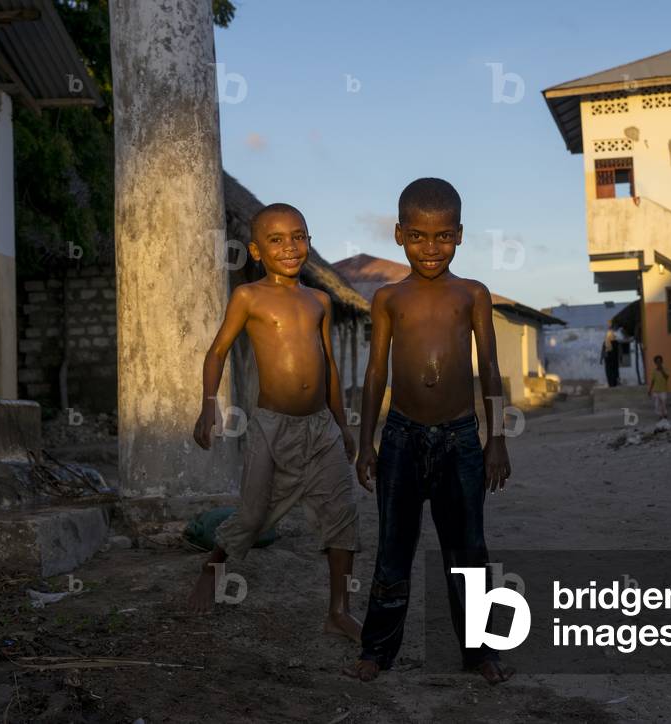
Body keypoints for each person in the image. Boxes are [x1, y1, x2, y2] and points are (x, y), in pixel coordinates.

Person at [345, 178, 514, 685]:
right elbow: (377, 373)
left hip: (460, 437)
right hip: (400, 436)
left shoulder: (473, 294)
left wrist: (496, 438)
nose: (431, 247)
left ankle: (480, 652)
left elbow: (489, 367)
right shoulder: (388, 298)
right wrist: (366, 442)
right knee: (393, 547)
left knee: (469, 551)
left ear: (460, 235)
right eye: (418, 235)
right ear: (398, 234)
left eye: (442, 236)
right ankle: (377, 649)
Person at [186, 203, 362, 644]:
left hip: (320, 426)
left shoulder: (319, 300)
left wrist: (342, 424)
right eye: (277, 240)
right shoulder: (249, 297)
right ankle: (213, 567)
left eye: (298, 236)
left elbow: (331, 368)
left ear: (309, 239)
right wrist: (209, 404)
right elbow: (217, 351)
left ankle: (338, 611)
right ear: (257, 250)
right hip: (272, 426)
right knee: (252, 515)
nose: (290, 247)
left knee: (342, 514)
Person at [647, 354, 669, 419]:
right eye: (657, 362)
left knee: (663, 403)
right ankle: (660, 415)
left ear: (661, 362)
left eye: (659, 361)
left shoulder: (665, 369)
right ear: (655, 363)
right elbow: (653, 381)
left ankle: (665, 414)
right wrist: (650, 390)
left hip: (663, 390)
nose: (658, 363)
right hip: (656, 390)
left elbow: (667, 377)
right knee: (657, 405)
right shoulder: (654, 371)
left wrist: (662, 370)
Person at [599, 321, 620, 387]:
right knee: (614, 371)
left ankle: (612, 384)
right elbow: (619, 351)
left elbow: (603, 350)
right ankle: (613, 384)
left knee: (610, 372)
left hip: (609, 359)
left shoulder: (608, 342)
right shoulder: (615, 342)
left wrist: (601, 359)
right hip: (613, 360)